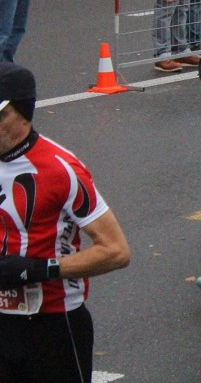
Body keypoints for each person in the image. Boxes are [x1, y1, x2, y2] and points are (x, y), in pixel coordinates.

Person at [0, 62, 130, 382]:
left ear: (22, 115)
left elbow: (116, 251)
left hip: (53, 323)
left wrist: (36, 269)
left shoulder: (61, 169)